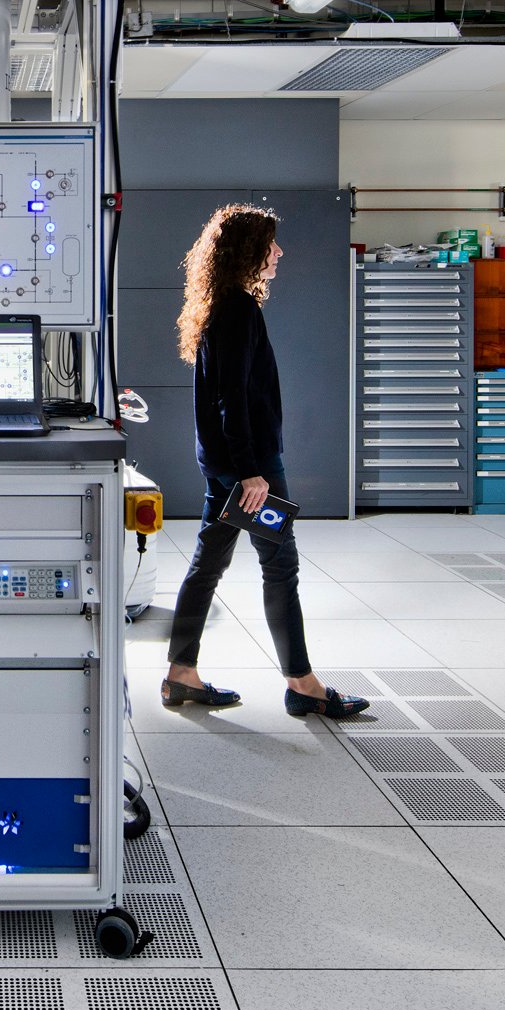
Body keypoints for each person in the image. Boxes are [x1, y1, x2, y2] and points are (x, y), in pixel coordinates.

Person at [161, 204, 369, 720]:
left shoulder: (222, 306)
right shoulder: (237, 310)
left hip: (229, 465)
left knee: (208, 565)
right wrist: (252, 471)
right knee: (281, 568)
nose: (278, 252)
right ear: (247, 252)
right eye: (269, 244)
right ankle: (303, 684)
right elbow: (231, 397)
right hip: (249, 470)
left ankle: (180, 674)